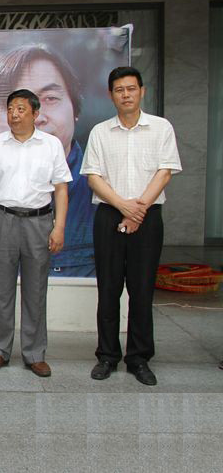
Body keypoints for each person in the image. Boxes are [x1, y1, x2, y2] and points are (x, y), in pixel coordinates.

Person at [81, 66, 181, 386]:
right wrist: (124, 207)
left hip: (147, 217)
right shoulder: (100, 132)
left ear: (142, 91)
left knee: (142, 290)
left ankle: (139, 358)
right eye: (119, 90)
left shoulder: (161, 128)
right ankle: (107, 356)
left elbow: (165, 172)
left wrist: (137, 211)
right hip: (110, 216)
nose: (126, 95)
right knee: (108, 289)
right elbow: (93, 177)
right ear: (111, 95)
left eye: (131, 88)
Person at [0, 44, 95, 276]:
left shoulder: (97, 194)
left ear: (75, 110)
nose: (34, 117)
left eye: (50, 98)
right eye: (15, 106)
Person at [0, 90, 71, 377]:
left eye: (20, 109)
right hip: (2, 220)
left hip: (39, 223)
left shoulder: (51, 145)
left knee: (35, 290)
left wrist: (59, 227)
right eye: (10, 109)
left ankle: (34, 354)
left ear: (35, 113)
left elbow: (61, 189)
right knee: (1, 289)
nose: (14, 114)